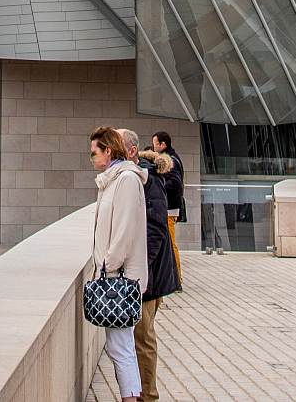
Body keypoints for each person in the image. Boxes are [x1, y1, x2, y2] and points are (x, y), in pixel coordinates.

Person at [88, 126, 146, 402]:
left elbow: (124, 231)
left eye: (94, 153)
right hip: (116, 276)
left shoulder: (126, 180)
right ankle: (131, 397)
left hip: (120, 279)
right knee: (121, 347)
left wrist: (107, 268)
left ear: (108, 151)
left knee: (120, 348)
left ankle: (131, 398)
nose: (92, 159)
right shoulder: (114, 179)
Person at [125, 131, 182, 402]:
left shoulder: (149, 180)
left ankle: (148, 396)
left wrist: (139, 269)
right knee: (138, 337)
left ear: (132, 152)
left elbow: (157, 229)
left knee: (143, 337)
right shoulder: (137, 177)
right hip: (146, 274)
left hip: (149, 276)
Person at [150, 131, 185, 282]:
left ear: (162, 145)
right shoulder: (171, 157)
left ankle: (177, 278)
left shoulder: (169, 159)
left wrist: (159, 187)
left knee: (171, 243)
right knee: (169, 242)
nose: (154, 147)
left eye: (155, 144)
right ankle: (174, 277)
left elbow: (176, 183)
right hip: (170, 206)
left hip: (170, 207)